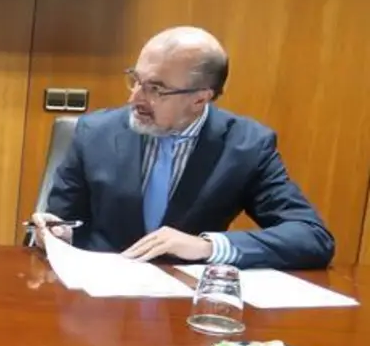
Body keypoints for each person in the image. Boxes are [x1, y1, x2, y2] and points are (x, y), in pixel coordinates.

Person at [31, 26, 334, 269]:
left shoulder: (246, 146)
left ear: (200, 99)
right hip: (99, 298)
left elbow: (312, 237)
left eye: (155, 88)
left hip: (186, 303)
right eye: (135, 80)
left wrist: (206, 246)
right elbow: (64, 223)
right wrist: (58, 235)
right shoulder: (94, 133)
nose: (135, 98)